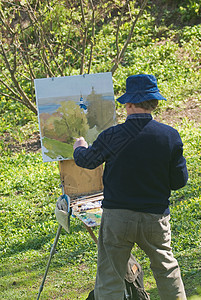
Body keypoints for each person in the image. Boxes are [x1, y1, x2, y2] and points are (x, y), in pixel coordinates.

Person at [73, 74, 188, 300]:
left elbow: (87, 161)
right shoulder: (170, 136)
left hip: (118, 218)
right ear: (154, 103)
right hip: (155, 218)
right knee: (166, 270)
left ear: (128, 104)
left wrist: (79, 148)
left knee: (110, 275)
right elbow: (179, 182)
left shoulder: (113, 135)